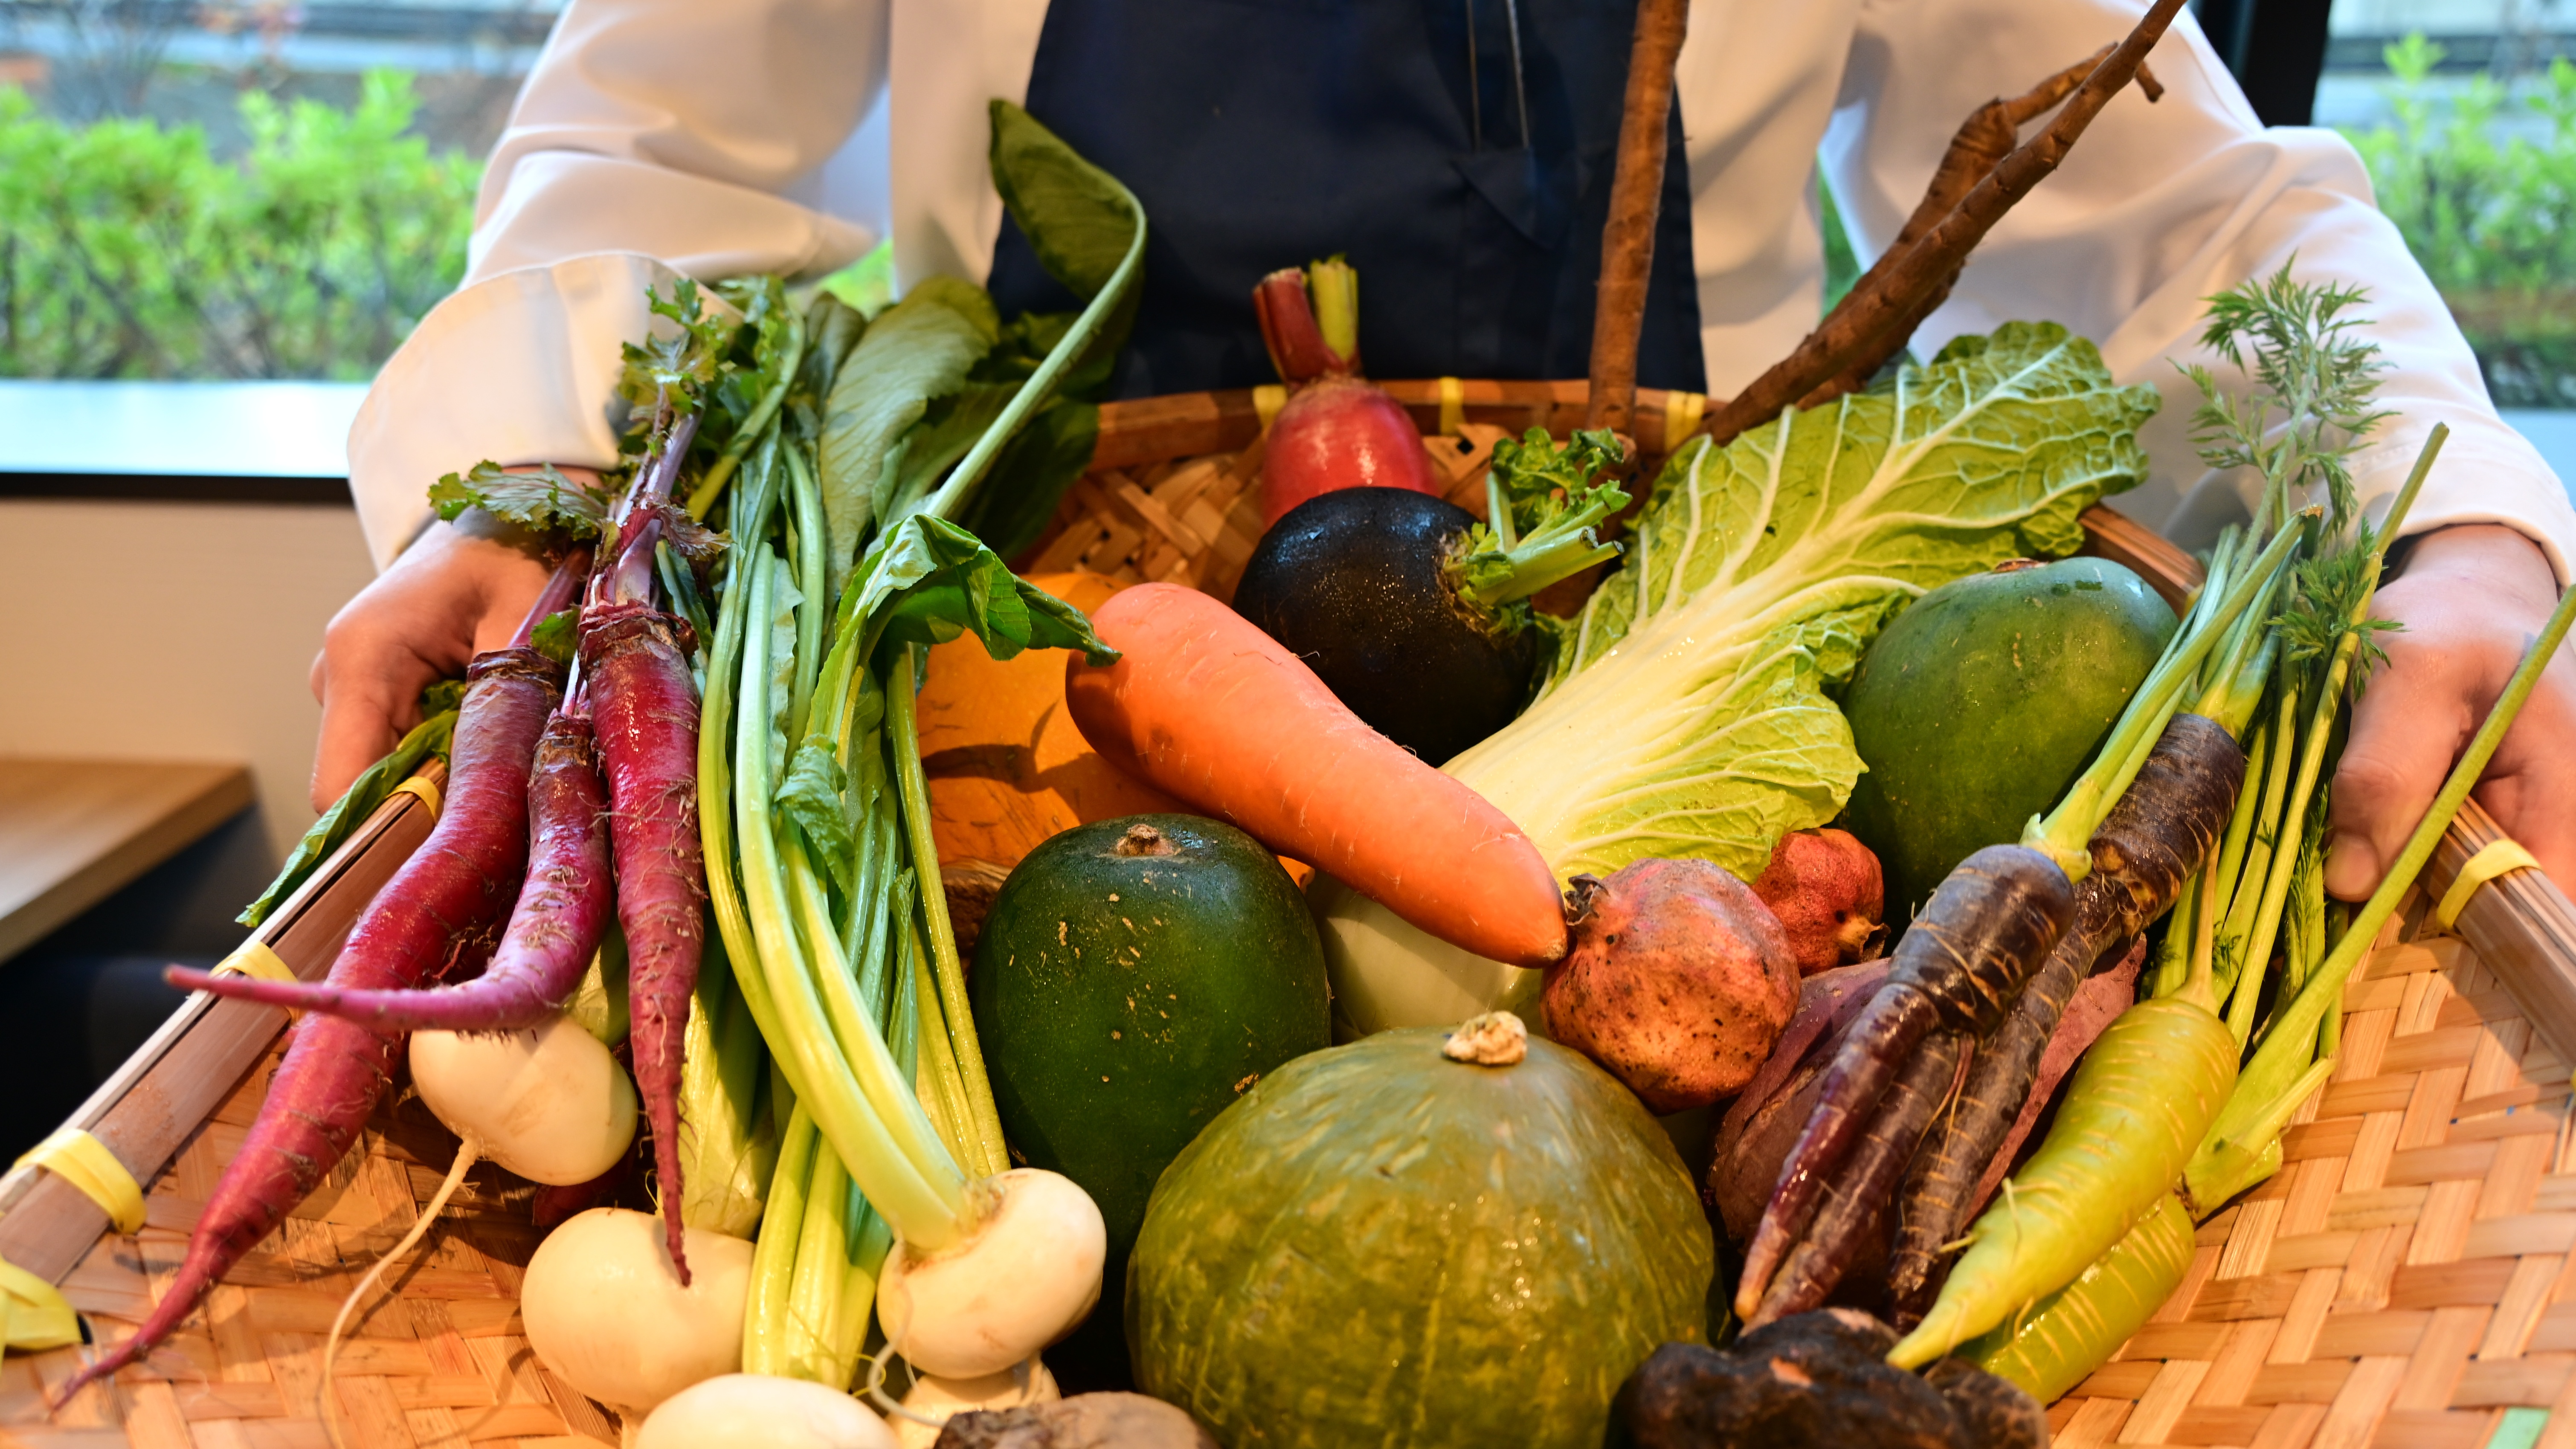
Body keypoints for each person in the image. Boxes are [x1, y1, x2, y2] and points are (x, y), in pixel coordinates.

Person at [313, 0, 2574, 901]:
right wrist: (533, 484)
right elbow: (654, 150)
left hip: (1715, 742)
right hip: (1002, 754)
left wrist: (2449, 519)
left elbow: (2168, 201)